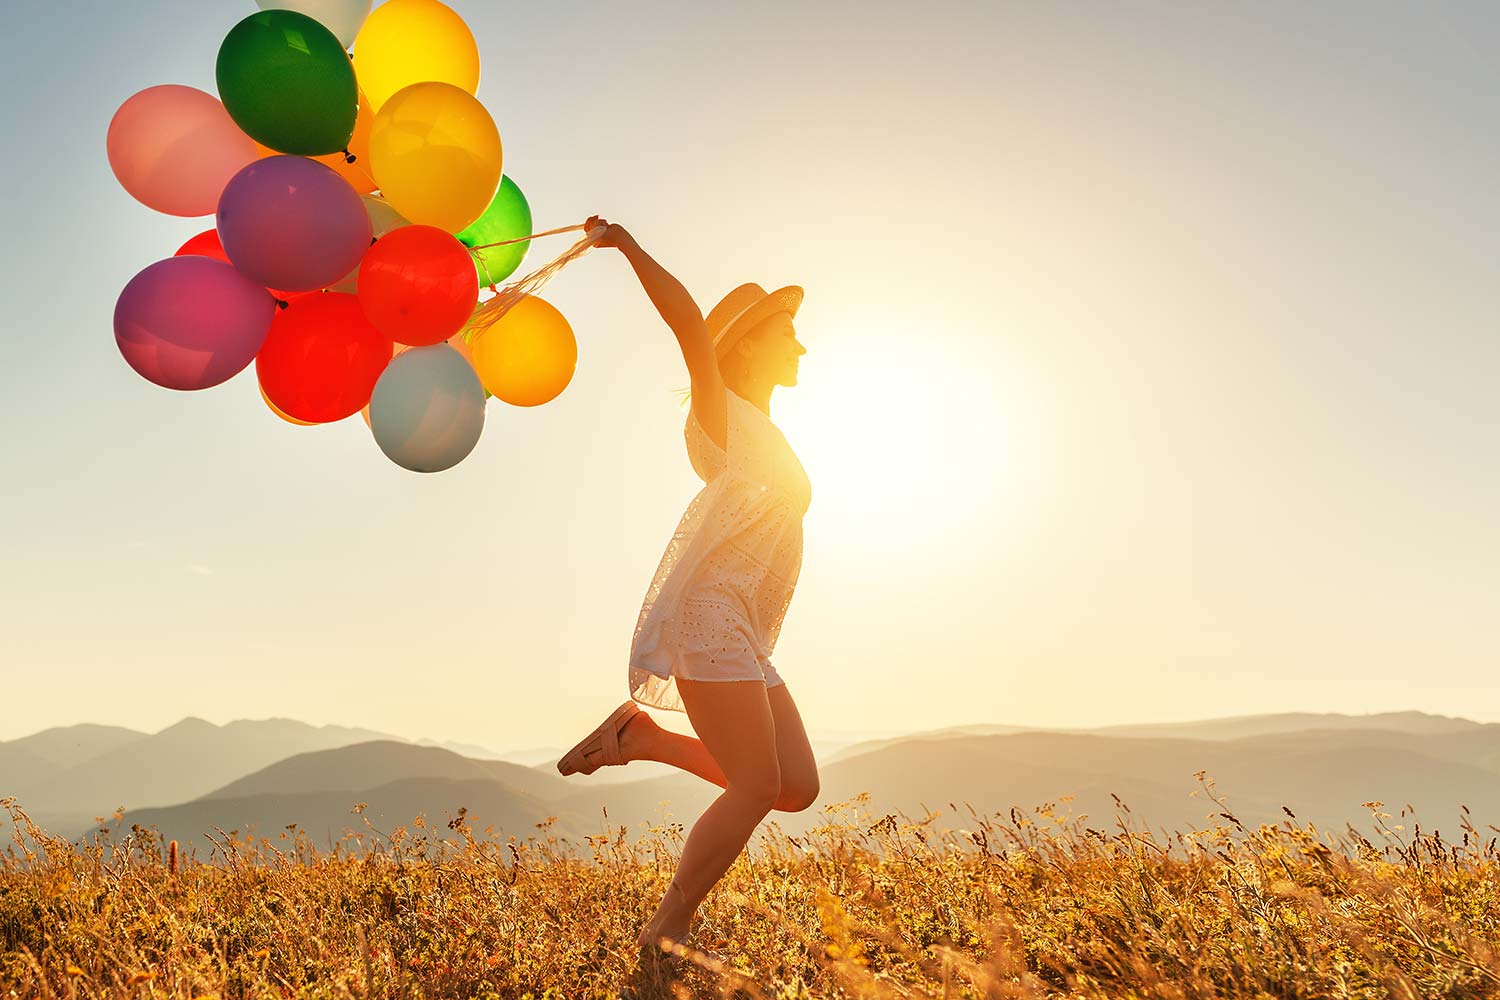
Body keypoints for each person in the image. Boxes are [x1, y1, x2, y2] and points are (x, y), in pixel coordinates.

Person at [555, 217, 820, 955]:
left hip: (743, 627)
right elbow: (687, 327)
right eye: (786, 332)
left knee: (794, 785)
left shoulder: (767, 427)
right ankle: (667, 928)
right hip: (708, 618)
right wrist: (631, 249)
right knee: (757, 787)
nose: (800, 345)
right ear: (746, 344)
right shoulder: (722, 414)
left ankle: (640, 737)